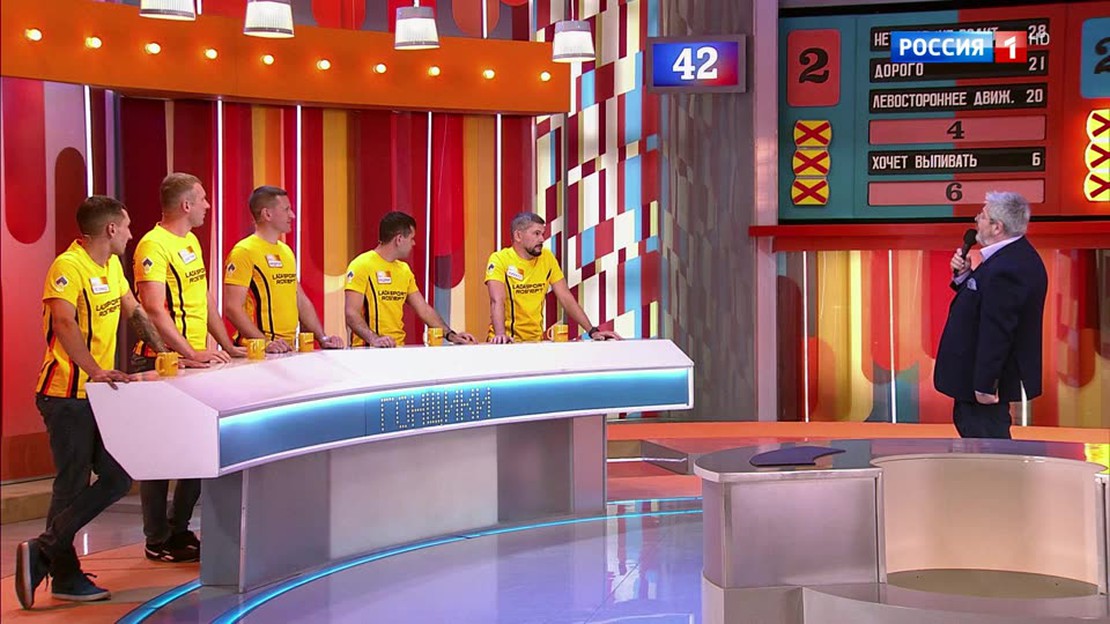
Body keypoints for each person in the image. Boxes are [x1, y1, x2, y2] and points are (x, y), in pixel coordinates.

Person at [16, 196, 166, 608]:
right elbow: (63, 322)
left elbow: (136, 313)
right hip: (64, 395)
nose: (131, 234)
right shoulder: (68, 267)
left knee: (117, 477)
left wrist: (169, 353)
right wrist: (94, 370)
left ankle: (44, 550)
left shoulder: (112, 266)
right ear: (111, 229)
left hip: (97, 394)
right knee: (72, 484)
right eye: (127, 226)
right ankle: (64, 574)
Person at [132, 173, 246, 563]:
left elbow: (205, 301)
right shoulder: (153, 244)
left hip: (195, 362)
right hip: (162, 361)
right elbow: (153, 308)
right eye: (202, 199)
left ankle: (179, 529)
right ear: (185, 205)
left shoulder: (192, 242)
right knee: (159, 454)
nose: (207, 206)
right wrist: (188, 353)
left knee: (197, 449)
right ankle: (157, 537)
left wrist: (225, 344)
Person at [934, 191, 1048, 439]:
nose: (976, 219)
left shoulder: (1009, 267)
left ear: (997, 227)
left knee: (988, 449)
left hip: (982, 387)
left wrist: (986, 385)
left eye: (983, 215)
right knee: (981, 446)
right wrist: (965, 276)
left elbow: (997, 330)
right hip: (974, 381)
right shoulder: (1006, 259)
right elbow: (983, 306)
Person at [224, 186, 343, 352]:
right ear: (267, 214)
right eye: (286, 209)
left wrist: (322, 337)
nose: (292, 215)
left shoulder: (286, 251)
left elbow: (300, 300)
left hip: (286, 349)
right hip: (259, 353)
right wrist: (265, 343)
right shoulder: (243, 252)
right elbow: (232, 308)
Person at [485, 212, 621, 343]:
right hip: (507, 342)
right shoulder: (499, 259)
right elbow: (497, 300)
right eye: (536, 233)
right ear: (518, 236)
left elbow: (566, 297)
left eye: (542, 234)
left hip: (535, 342)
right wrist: (500, 335)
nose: (542, 239)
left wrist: (592, 331)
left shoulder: (547, 257)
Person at [345, 211, 475, 347]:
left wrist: (451, 335)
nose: (413, 243)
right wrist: (375, 339)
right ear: (399, 239)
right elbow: (351, 313)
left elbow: (424, 310)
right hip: (368, 351)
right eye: (412, 238)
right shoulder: (361, 265)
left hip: (398, 349)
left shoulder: (404, 270)